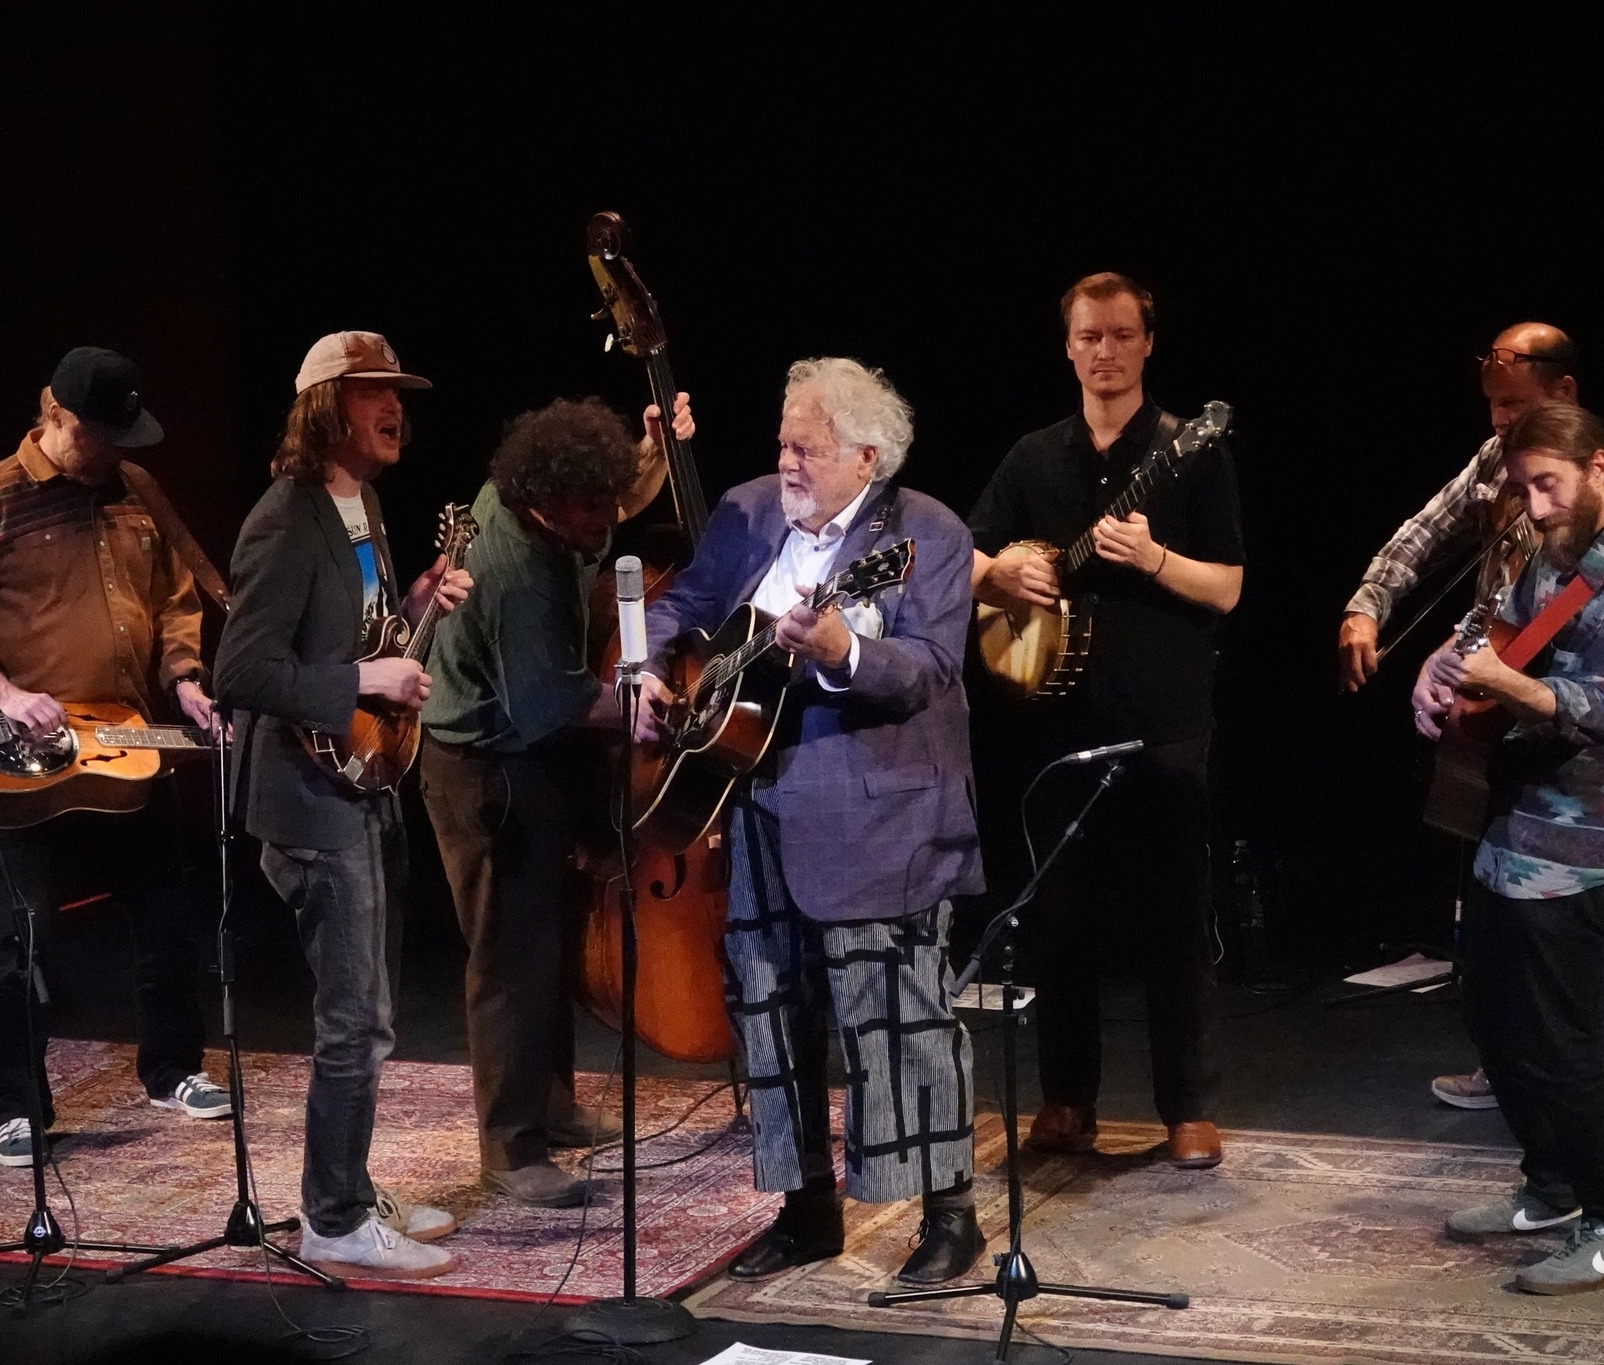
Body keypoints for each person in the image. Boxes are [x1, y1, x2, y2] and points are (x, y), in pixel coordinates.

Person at [635, 357, 986, 1285]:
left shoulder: (928, 533)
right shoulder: (748, 511)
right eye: (784, 443)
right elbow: (682, 604)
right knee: (768, 1007)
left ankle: (950, 1215)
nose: (787, 462)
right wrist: (647, 668)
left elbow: (930, 669)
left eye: (808, 449)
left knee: (898, 1014)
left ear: (867, 456)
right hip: (756, 803)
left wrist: (842, 650)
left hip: (882, 813)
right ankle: (805, 1209)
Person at [1414, 402, 1604, 1295]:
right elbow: (1498, 630)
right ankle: (1551, 1188)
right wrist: (1443, 665)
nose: (1535, 507)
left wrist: (1501, 681)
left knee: (1568, 1047)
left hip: (1594, 837)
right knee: (1498, 1024)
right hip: (1517, 824)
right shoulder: (1554, 552)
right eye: (1524, 488)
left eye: (1549, 485)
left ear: (1600, 467)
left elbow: (1601, 707)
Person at [0, 346, 228, 1167]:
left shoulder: (135, 489)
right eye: (99, 434)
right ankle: (19, 1105)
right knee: (21, 939)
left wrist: (185, 677)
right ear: (54, 414)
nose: (114, 450)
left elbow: (175, 596)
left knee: (166, 917)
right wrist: (5, 691)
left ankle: (173, 1068)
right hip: (30, 759)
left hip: (125, 745)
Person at [968, 272, 1243, 1169]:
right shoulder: (1033, 456)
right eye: (1090, 336)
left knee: (1175, 920)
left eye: (1122, 335)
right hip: (1056, 727)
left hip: (1163, 721)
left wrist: (1157, 558)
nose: (1106, 352)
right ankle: (1067, 1098)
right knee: (1060, 918)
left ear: (1148, 342)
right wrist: (997, 575)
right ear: (1068, 346)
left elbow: (1228, 587)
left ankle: (1188, 1108)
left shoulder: (1190, 450)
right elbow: (963, 555)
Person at [213, 331, 472, 1280]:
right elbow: (243, 670)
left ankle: (350, 1185)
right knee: (352, 1020)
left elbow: (356, 632)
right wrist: (367, 676)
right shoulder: (285, 519)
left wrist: (417, 599)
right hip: (308, 800)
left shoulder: (361, 504)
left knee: (374, 1015)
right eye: (374, 393)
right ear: (328, 408)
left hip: (361, 779)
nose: (395, 407)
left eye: (398, 392)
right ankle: (332, 1218)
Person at [417, 391, 696, 1208]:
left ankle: (552, 1104)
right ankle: (511, 1148)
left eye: (607, 500)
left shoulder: (548, 503)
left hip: (523, 752)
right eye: (590, 508)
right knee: (509, 955)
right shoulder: (514, 570)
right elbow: (551, 703)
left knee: (548, 937)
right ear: (543, 500)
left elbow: (613, 501)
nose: (605, 522)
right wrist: (638, 703)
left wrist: (649, 455)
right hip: (479, 764)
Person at [1337, 321, 1579, 1112]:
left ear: (1563, 392)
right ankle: (1505, 1062)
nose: (1501, 421)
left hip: (1558, 715)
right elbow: (1421, 537)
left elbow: (1545, 600)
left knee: (1555, 923)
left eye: (1516, 405)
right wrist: (1368, 607)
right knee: (1489, 901)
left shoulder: (1578, 473)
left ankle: (1584, 1088)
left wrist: (1453, 650)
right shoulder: (1492, 460)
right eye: (1493, 405)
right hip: (1493, 704)